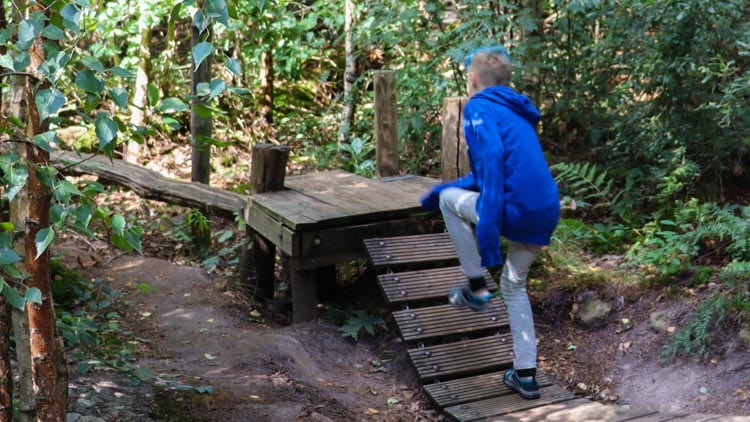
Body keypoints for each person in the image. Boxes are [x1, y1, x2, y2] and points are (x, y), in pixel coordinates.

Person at [420, 46, 560, 400]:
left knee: (449, 203)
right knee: (514, 286)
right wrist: (448, 185)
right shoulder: (516, 110)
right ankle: (526, 374)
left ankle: (477, 286)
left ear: (473, 79)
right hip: (545, 211)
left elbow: (494, 162)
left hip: (514, 209)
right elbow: (489, 173)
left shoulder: (479, 107)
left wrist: (487, 237)